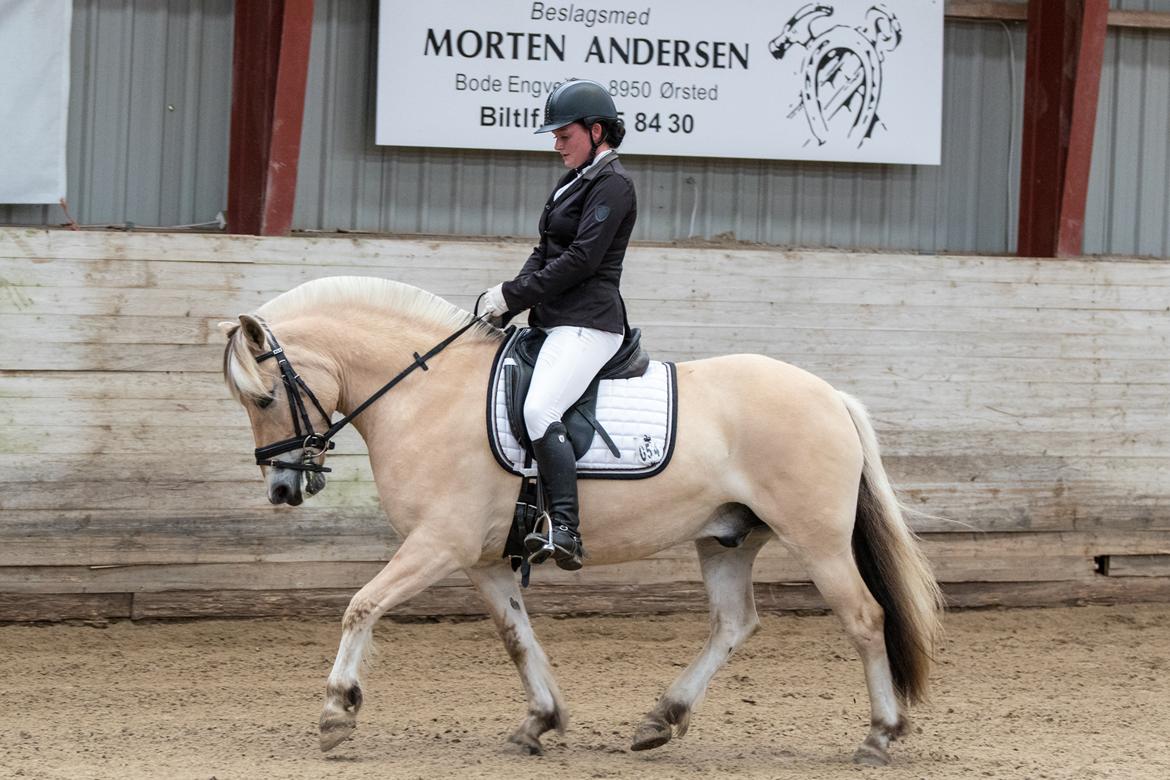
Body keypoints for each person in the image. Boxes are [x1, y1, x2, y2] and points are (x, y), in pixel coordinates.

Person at [481, 78, 636, 571]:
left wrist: (515, 294)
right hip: (553, 321)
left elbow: (581, 260)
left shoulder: (614, 184)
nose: (556, 144)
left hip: (589, 322)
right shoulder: (574, 180)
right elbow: (544, 251)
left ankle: (565, 527)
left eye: (563, 134)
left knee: (540, 407)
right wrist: (508, 301)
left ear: (596, 131)